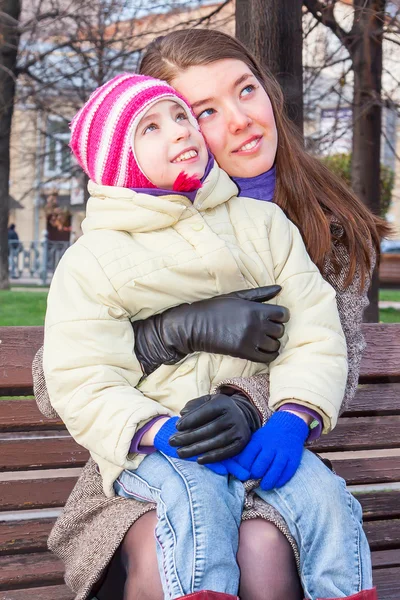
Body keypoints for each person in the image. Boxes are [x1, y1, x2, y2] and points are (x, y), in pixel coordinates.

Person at [32, 29, 387, 600]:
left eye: (246, 91)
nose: (242, 119)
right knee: (168, 535)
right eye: (205, 110)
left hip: (270, 454)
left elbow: (328, 349)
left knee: (264, 544)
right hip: (151, 463)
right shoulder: (129, 223)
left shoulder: (324, 230)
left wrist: (248, 405)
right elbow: (62, 380)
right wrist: (168, 334)